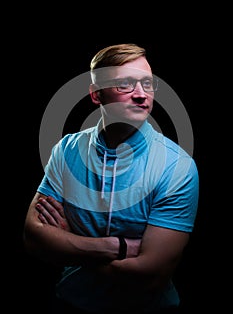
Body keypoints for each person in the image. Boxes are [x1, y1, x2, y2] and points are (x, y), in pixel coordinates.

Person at [23, 43, 199, 313]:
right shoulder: (67, 149)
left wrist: (69, 244)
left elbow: (149, 277)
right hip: (69, 304)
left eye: (147, 84)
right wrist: (115, 247)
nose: (141, 95)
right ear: (97, 95)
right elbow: (34, 238)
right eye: (125, 84)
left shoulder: (177, 167)